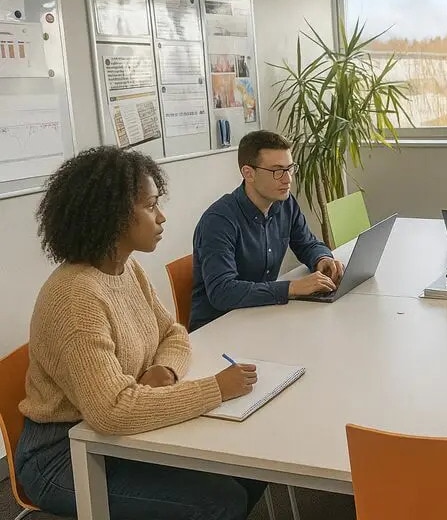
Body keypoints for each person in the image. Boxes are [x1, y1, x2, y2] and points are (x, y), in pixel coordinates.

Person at [16, 146, 263, 520]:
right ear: (112, 217)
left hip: (118, 434)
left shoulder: (125, 269)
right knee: (219, 501)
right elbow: (112, 411)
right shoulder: (75, 297)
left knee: (249, 469)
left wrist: (165, 372)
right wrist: (216, 388)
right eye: (150, 206)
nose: (162, 217)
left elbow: (174, 334)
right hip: (64, 455)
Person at [191, 130, 344, 331]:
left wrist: (321, 259)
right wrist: (292, 288)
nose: (288, 179)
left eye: (290, 168)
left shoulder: (285, 203)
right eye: (277, 171)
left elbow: (307, 243)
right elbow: (222, 292)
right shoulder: (219, 221)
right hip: (219, 329)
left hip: (261, 316)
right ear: (249, 173)